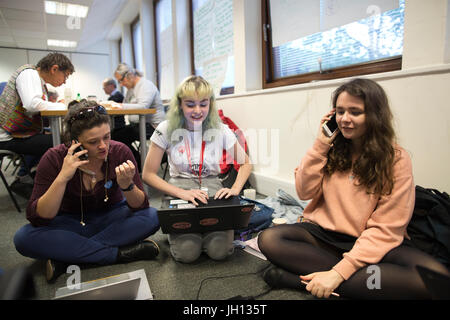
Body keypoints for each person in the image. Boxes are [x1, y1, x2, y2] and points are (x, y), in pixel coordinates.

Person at [257, 78, 450, 299]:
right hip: (324, 237)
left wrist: (340, 272)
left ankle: (298, 280)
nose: (345, 119)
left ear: (374, 116)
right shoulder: (329, 148)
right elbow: (304, 191)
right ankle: (351, 285)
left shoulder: (396, 159)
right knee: (270, 239)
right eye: (340, 111)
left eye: (355, 112)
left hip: (373, 242)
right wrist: (320, 145)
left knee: (436, 279)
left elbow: (386, 229)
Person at [13, 100, 160, 283]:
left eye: (106, 137)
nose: (103, 146)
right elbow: (39, 217)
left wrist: (127, 186)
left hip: (111, 217)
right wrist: (63, 177)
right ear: (75, 142)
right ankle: (118, 254)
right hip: (70, 222)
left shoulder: (120, 151)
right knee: (23, 238)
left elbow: (140, 206)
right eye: (93, 142)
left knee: (152, 216)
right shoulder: (54, 158)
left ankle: (68, 258)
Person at [142, 75, 252, 263]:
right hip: (179, 187)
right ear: (180, 105)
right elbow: (148, 174)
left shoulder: (221, 128)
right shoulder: (166, 128)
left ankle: (203, 234)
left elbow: (245, 163)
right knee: (187, 255)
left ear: (210, 104)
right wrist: (181, 193)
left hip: (212, 186)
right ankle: (187, 236)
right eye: (190, 104)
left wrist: (234, 190)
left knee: (219, 252)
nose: (198, 110)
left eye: (203, 103)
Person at [0, 53, 74, 166]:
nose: (64, 81)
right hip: (7, 138)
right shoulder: (29, 73)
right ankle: (46, 178)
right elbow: (32, 104)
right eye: (65, 75)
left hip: (17, 134)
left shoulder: (37, 80)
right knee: (64, 143)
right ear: (54, 69)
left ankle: (29, 174)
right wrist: (64, 107)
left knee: (56, 139)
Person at [106, 63, 166, 169]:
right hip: (141, 124)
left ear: (129, 75)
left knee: (117, 136)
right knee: (116, 134)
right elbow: (126, 104)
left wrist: (119, 105)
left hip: (153, 126)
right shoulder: (131, 89)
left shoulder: (146, 85)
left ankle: (138, 163)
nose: (121, 84)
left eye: (121, 80)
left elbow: (142, 107)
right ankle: (137, 161)